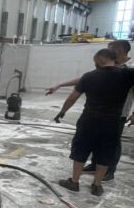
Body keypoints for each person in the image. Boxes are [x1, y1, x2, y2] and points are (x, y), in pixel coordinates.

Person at [46, 39, 133, 180]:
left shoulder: (129, 70)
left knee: (111, 144)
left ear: (120, 51)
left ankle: (108, 171)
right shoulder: (110, 68)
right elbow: (84, 79)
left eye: (110, 49)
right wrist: (60, 85)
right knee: (99, 142)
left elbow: (77, 91)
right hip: (105, 115)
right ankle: (96, 171)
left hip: (119, 113)